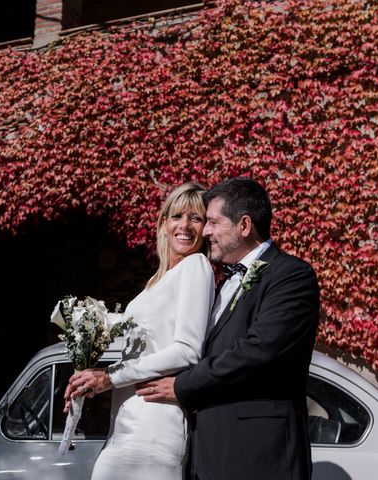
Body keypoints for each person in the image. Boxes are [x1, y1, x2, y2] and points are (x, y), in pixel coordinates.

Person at [137, 177, 320, 480]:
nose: (204, 232)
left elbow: (259, 351)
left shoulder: (291, 275)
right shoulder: (222, 283)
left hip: (259, 456)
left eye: (212, 222)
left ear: (244, 225)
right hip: (207, 456)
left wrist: (183, 385)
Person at [65, 182, 215, 480]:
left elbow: (188, 350)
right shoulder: (156, 282)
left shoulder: (196, 266)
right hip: (125, 423)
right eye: (177, 216)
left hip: (154, 427)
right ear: (163, 223)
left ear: (205, 228)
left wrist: (109, 377)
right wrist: (88, 378)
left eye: (196, 218)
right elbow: (142, 350)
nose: (185, 225)